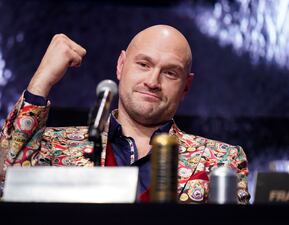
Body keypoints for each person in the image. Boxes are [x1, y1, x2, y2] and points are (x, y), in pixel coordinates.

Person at [0, 25, 250, 203]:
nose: (153, 81)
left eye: (170, 73)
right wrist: (40, 83)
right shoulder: (52, 146)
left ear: (186, 86)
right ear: (121, 65)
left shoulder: (221, 161)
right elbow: (5, 183)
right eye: (144, 64)